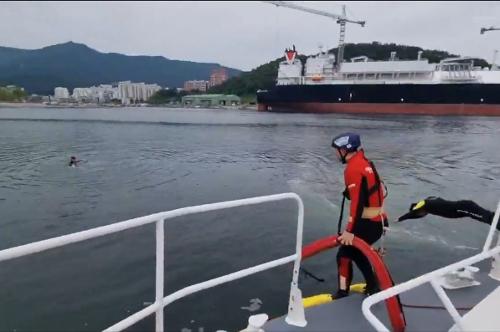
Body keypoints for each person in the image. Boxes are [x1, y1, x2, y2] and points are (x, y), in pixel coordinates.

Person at [331, 132, 387, 299]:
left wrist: (349, 230)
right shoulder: (366, 163)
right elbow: (380, 191)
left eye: (337, 150)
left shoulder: (353, 169)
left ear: (345, 150)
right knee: (356, 253)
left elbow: (357, 205)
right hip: (378, 222)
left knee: (343, 255)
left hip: (367, 224)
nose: (336, 154)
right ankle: (372, 286)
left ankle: (343, 293)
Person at [398, 196, 496, 229]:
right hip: (464, 208)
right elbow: (415, 214)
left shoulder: (424, 204)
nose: (423, 215)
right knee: (485, 216)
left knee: (486, 218)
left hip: (463, 208)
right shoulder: (429, 202)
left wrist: (399, 219)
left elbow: (412, 213)